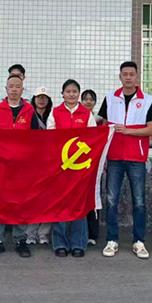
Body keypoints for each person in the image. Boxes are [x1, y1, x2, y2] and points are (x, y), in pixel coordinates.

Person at [98, 61, 152, 259]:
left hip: (136, 158)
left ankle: (139, 241)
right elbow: (103, 130)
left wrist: (128, 131)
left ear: (137, 76)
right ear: (120, 77)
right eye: (125, 74)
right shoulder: (110, 99)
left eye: (132, 74)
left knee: (139, 202)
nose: (128, 77)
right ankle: (112, 240)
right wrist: (103, 157)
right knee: (111, 200)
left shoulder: (147, 100)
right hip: (114, 157)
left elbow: (151, 130)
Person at [0, 74, 41, 258]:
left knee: (21, 203)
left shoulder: (29, 110)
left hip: (22, 167)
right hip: (1, 165)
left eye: (18, 86)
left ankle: (20, 240)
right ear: (6, 89)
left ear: (22, 90)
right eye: (11, 86)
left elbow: (36, 138)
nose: (14, 89)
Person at [48, 79, 98, 258]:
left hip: (80, 167)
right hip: (60, 167)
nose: (71, 94)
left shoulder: (86, 113)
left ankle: (78, 243)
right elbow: (50, 137)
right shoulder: (55, 112)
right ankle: (60, 243)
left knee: (79, 205)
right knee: (59, 204)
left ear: (78, 94)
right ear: (62, 94)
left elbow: (93, 138)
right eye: (68, 91)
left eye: (74, 91)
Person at [26, 86, 54, 244]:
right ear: (34, 99)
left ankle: (44, 233)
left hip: (49, 162)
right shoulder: (28, 115)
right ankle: (30, 234)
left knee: (48, 199)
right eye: (38, 97)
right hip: (32, 162)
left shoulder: (53, 116)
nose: (41, 100)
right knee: (32, 198)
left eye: (44, 97)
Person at [81, 88, 102, 245]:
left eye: (91, 99)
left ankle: (92, 234)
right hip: (76, 164)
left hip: (94, 163)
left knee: (93, 196)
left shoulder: (99, 120)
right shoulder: (77, 117)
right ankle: (79, 233)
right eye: (86, 99)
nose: (88, 101)